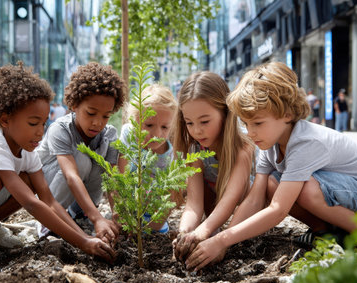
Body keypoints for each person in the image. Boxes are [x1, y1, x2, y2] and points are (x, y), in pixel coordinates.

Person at [185, 62, 357, 271]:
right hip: (346, 198)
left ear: (287, 114)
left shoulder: (306, 142)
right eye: (246, 124)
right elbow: (255, 198)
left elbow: (278, 209)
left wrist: (221, 240)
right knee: (271, 184)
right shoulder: (270, 143)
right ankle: (328, 233)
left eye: (257, 123)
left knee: (304, 188)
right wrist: (225, 242)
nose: (250, 133)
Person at [0, 61, 114, 267]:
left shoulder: (29, 153)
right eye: (33, 123)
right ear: (6, 120)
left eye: (43, 123)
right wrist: (83, 242)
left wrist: (85, 238)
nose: (40, 132)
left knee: (30, 181)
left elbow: (49, 202)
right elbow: (31, 203)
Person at [37, 62, 126, 245]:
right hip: (50, 190)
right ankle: (48, 223)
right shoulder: (60, 129)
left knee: (99, 164)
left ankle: (80, 214)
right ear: (75, 105)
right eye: (91, 113)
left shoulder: (108, 135)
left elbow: (111, 180)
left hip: (81, 194)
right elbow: (71, 176)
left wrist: (119, 217)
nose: (97, 123)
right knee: (81, 161)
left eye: (105, 116)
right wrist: (98, 219)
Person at [172, 71, 254, 263]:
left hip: (245, 210)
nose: (197, 130)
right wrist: (184, 232)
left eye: (205, 121)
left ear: (225, 114)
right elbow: (194, 204)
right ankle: (210, 233)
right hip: (213, 207)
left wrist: (204, 232)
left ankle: (218, 238)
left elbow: (230, 200)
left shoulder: (243, 146)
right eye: (189, 123)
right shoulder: (196, 149)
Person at [118, 84, 178, 233]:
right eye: (149, 125)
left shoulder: (171, 150)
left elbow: (173, 192)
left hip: (154, 209)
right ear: (135, 120)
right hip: (129, 203)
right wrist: (121, 212)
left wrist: (157, 222)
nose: (157, 134)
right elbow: (119, 176)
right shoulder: (128, 134)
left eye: (165, 127)